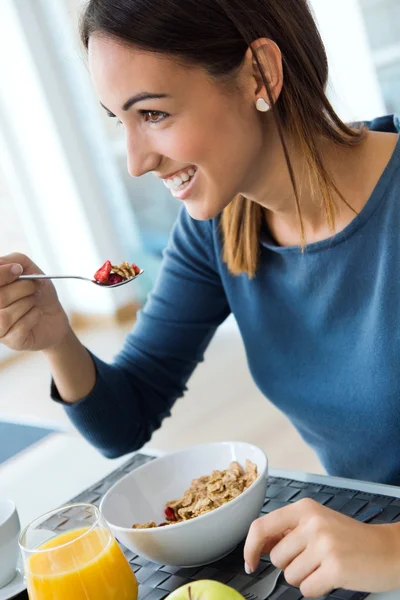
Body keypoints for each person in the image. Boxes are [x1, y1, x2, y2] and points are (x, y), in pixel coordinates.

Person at [1, 0, 400, 595]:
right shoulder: (219, 228)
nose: (136, 162)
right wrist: (57, 339)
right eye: (120, 122)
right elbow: (126, 418)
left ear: (259, 74)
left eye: (154, 114)